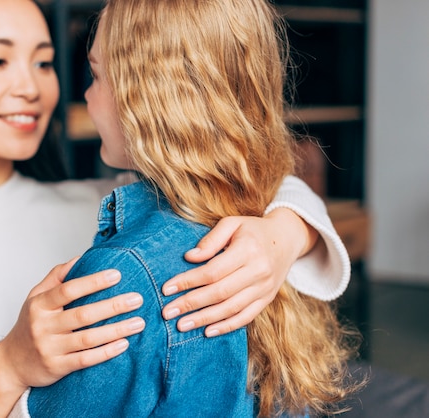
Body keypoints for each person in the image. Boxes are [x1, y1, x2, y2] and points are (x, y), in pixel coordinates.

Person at [0, 0, 350, 417]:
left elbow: (242, 175)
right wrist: (7, 365)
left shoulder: (102, 203)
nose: (29, 87)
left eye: (44, 62)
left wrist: (280, 236)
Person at [22, 0, 360, 417]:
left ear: (145, 97)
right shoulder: (251, 213)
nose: (86, 96)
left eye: (95, 74)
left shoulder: (121, 276)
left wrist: (285, 234)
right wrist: (287, 233)